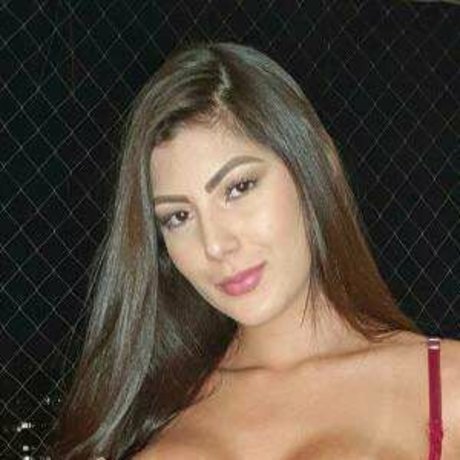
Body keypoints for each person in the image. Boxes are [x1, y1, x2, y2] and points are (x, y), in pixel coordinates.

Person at [49, 41, 460, 460]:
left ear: (316, 165)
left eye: (238, 188)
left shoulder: (444, 388)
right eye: (178, 217)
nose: (215, 244)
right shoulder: (145, 414)